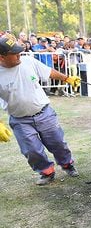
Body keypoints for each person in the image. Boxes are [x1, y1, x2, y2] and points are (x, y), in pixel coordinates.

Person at [0, 33, 82, 186]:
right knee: (31, 151)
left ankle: (67, 164)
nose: (19, 55)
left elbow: (48, 72)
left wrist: (67, 78)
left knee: (58, 142)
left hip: (44, 113)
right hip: (20, 120)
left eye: (19, 51)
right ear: (2, 57)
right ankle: (46, 171)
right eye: (14, 53)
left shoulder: (28, 61)